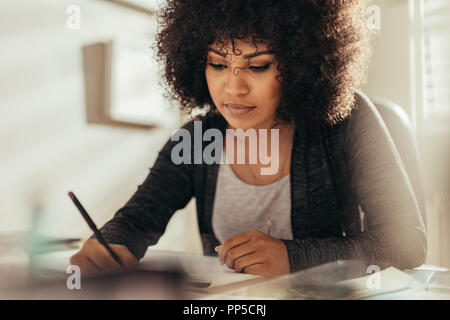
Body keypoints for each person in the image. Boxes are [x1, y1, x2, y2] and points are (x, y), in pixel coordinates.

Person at [70, 0, 427, 278]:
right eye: (218, 64)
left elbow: (406, 242)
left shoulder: (347, 123)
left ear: (301, 63)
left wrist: (293, 257)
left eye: (258, 66)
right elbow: (138, 221)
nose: (234, 87)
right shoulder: (198, 139)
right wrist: (111, 245)